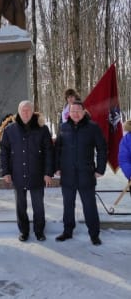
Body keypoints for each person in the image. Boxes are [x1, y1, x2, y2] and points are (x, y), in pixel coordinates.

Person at [0, 100, 54, 242]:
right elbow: (3, 151)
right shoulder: (10, 129)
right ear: (18, 112)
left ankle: (39, 231)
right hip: (17, 174)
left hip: (37, 174)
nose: (26, 113)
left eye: (28, 110)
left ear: (33, 111)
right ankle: (24, 231)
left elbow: (49, 152)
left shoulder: (42, 129)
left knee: (38, 206)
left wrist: (48, 173)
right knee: (20, 206)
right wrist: (5, 172)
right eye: (23, 110)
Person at [55, 100, 107, 245]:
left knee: (89, 206)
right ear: (69, 113)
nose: (75, 114)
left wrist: (100, 169)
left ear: (84, 112)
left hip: (86, 174)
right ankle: (67, 231)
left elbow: (102, 148)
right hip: (67, 174)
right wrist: (57, 167)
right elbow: (57, 150)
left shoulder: (93, 128)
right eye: (72, 111)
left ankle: (94, 234)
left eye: (78, 111)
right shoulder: (63, 127)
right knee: (68, 205)